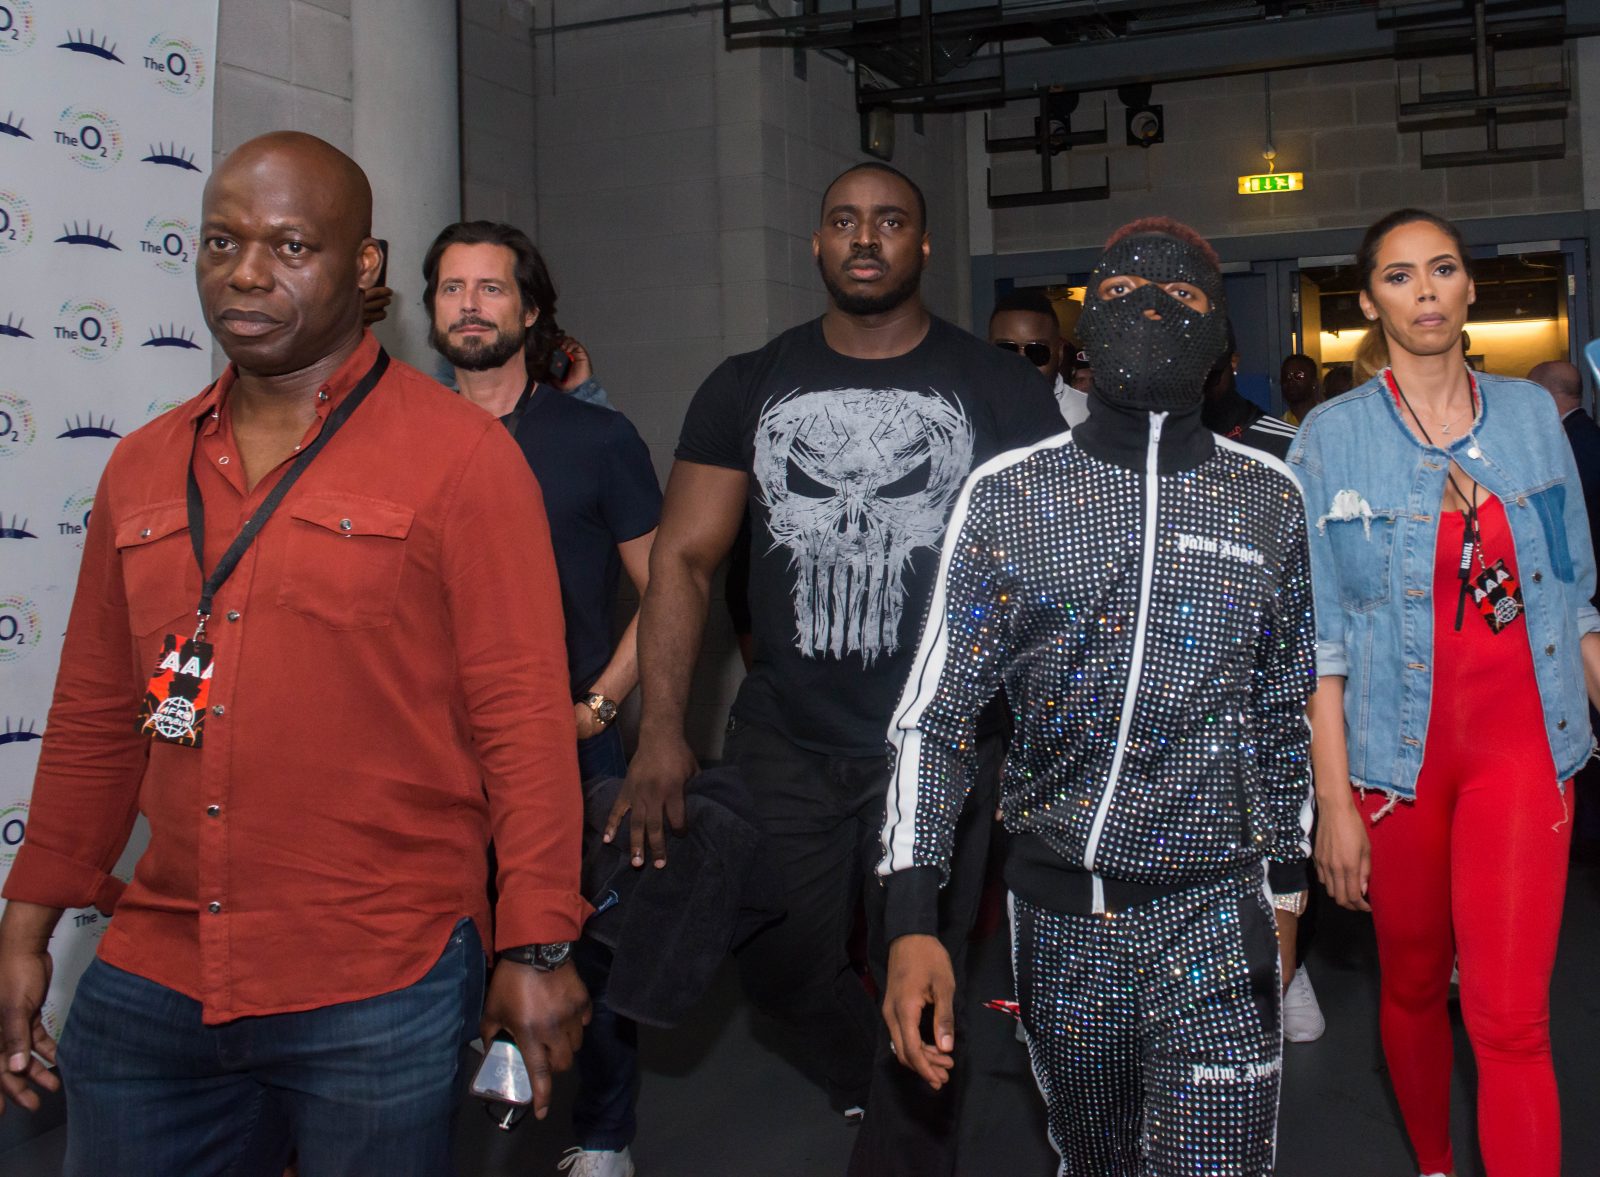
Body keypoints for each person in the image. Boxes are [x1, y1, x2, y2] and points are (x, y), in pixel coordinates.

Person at [0, 132, 591, 1174]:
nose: (247, 273)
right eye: (222, 241)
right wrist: (24, 924)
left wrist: (535, 943)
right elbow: (98, 710)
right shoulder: (142, 468)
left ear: (364, 268)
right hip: (160, 966)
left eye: (289, 245)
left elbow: (523, 719)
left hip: (379, 973)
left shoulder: (462, 459)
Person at [608, 161, 1061, 1177]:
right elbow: (681, 559)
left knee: (921, 974)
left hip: (939, 746)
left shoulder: (999, 389)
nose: (866, 237)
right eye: (844, 221)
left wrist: (1043, 740)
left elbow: (1043, 573)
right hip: (785, 736)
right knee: (775, 968)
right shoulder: (746, 385)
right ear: (815, 245)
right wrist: (663, 730)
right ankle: (870, 1064)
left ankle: (904, 1128)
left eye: (890, 220)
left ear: (922, 247)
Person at [878, 217, 1314, 1176]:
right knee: (1097, 1163)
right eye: (1119, 295)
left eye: (1184, 298)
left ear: (1219, 339)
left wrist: (1286, 889)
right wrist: (913, 914)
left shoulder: (1268, 498)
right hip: (1061, 925)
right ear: (1086, 331)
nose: (1151, 312)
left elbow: (1284, 708)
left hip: (1214, 914)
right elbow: (936, 719)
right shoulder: (1011, 493)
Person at [1294, 209, 1600, 1177]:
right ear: (1369, 301)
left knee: (1512, 1019)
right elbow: (1321, 644)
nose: (1424, 290)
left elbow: (1577, 597)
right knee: (1417, 985)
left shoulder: (1528, 420)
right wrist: (1335, 802)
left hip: (1524, 748)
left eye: (1442, 269)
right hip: (1395, 764)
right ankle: (1431, 1164)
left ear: (1471, 288)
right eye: (1398, 275)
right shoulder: (1331, 440)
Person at [423, 220, 660, 1177]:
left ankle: (603, 1137)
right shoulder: (399, 435)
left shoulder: (597, 439)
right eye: (450, 287)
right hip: (429, 753)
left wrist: (598, 708)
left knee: (582, 955)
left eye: (490, 288)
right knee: (442, 949)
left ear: (529, 310)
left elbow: (668, 590)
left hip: (568, 746)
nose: (470, 304)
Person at [1528, 359, 1600, 852]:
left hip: (1578, 604)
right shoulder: (1593, 438)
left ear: (1544, 399)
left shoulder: (1562, 450)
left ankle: (1583, 834)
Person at [1201, 325, 1300, 459]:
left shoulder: (1290, 446)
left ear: (1233, 361)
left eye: (1210, 373)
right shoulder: (1169, 443)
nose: (1197, 383)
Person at [987, 288, 1081, 427]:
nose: (1021, 364)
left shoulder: (1092, 418)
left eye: (1036, 351)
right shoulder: (964, 417)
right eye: (1007, 350)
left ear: (1060, 354)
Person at [1281, 352, 1322, 425]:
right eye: (1286, 376)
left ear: (1314, 383)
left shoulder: (1329, 420)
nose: (1290, 381)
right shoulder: (1280, 427)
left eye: (1298, 375)